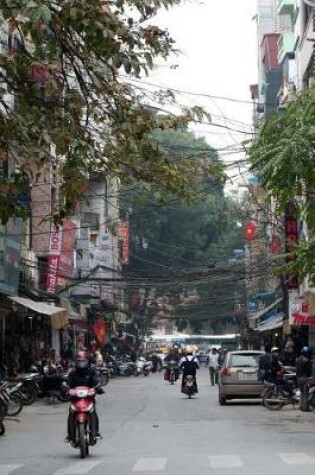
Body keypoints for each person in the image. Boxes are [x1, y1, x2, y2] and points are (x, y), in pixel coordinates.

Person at [66, 351, 103, 444]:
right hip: (75, 399)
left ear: (87, 362)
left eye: (83, 361)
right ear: (76, 362)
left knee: (93, 412)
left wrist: (97, 387)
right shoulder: (73, 373)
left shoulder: (91, 372)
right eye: (79, 361)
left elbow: (96, 381)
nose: (81, 364)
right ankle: (70, 434)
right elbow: (67, 383)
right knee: (71, 414)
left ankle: (96, 431)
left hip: (88, 398)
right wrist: (65, 388)